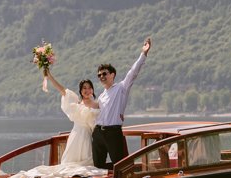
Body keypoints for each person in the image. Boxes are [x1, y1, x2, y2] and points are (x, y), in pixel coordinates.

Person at [91, 37, 152, 168]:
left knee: (120, 166)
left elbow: (133, 72)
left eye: (104, 74)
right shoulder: (101, 96)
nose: (101, 76)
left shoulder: (121, 88)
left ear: (112, 75)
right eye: (99, 75)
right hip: (98, 133)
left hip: (113, 132)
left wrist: (143, 53)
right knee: (97, 166)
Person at [43, 67, 101, 168]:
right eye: (84, 88)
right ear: (80, 90)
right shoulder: (77, 103)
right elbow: (63, 91)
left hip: (87, 137)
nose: (87, 90)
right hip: (75, 135)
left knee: (86, 165)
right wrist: (50, 76)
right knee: (69, 164)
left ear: (92, 89)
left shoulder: (97, 105)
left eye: (89, 87)